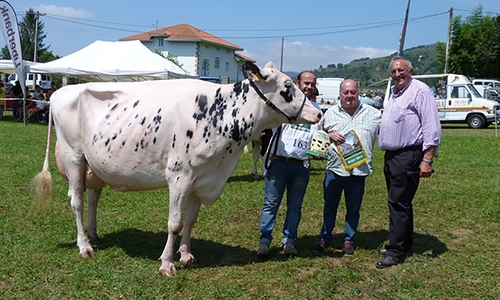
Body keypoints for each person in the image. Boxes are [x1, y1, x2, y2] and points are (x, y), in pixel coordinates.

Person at [376, 56, 441, 268]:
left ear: (410, 70)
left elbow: (431, 126)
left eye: (401, 70)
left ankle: (395, 251)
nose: (397, 74)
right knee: (401, 202)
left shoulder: (420, 91)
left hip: (408, 154)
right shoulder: (395, 92)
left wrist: (427, 159)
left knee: (398, 202)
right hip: (393, 156)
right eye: (393, 71)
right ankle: (404, 243)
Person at [256, 71, 322, 257]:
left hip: (302, 166)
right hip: (279, 163)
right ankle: (265, 241)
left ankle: (289, 241)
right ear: (297, 84)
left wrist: (319, 151)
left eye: (312, 83)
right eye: (306, 83)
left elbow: (319, 137)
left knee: (295, 206)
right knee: (271, 204)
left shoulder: (317, 111)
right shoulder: (282, 105)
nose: (308, 86)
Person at [313, 79, 381, 255]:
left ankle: (349, 240)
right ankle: (325, 237)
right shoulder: (329, 114)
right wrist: (329, 135)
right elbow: (318, 135)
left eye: (353, 92)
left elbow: (389, 134)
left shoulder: (374, 114)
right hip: (334, 170)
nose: (349, 95)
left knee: (353, 208)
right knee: (330, 206)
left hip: (359, 171)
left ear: (358, 93)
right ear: (340, 94)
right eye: (346, 92)